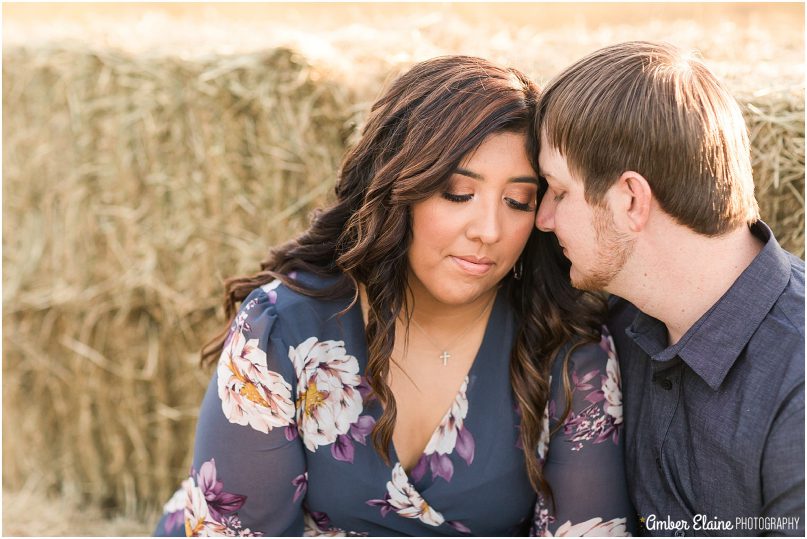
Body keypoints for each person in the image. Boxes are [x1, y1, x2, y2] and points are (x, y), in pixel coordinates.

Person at [154, 55, 635, 537]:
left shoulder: (569, 352)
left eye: (517, 202)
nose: (489, 231)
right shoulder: (283, 330)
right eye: (457, 193)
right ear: (398, 186)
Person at [534, 41, 805, 536]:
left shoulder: (796, 387)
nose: (543, 219)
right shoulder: (616, 315)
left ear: (631, 199)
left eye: (559, 191)